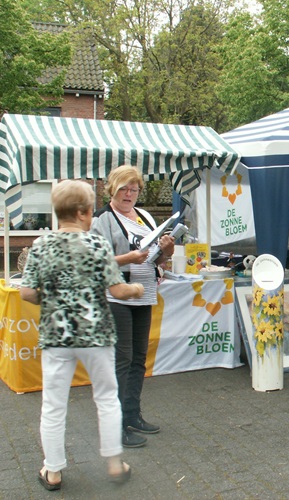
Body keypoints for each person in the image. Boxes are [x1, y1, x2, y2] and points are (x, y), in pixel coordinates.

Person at [20, 180, 143, 490]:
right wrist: (137, 289)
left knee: (54, 403)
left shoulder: (41, 245)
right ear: (83, 212)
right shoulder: (97, 244)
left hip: (56, 336)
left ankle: (53, 470)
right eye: (90, 211)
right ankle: (115, 463)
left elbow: (27, 293)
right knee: (106, 398)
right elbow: (118, 290)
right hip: (96, 334)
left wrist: (47, 299)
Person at [90, 165, 175, 448]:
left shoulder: (146, 216)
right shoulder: (102, 219)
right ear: (112, 190)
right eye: (124, 189)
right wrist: (127, 259)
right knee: (122, 361)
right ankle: (114, 427)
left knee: (139, 358)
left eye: (134, 189)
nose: (129, 194)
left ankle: (132, 414)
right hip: (117, 296)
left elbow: (156, 260)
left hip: (145, 293)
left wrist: (167, 250)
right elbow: (95, 263)